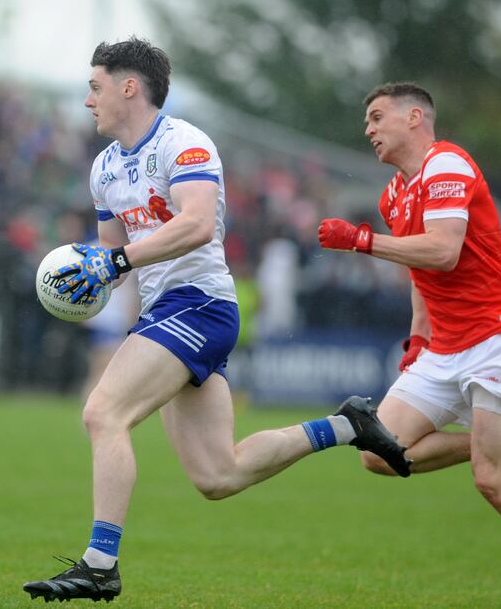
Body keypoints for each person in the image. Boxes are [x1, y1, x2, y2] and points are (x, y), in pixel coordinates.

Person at [22, 38, 411, 604]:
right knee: (218, 476)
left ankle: (99, 564)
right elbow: (111, 256)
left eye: (95, 87)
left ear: (130, 87)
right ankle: (348, 425)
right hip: (165, 312)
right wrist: (85, 280)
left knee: (103, 413)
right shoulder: (104, 169)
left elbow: (199, 223)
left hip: (200, 305)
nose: (88, 101)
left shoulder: (185, 143)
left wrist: (119, 260)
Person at [317, 82, 501, 609]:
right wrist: (419, 337)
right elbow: (420, 270)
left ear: (415, 117)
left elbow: (443, 251)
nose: (369, 129)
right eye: (367, 122)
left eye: (378, 117)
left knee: (491, 482)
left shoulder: (447, 164)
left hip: (497, 335)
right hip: (443, 345)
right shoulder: (393, 193)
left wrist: (361, 240)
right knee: (377, 454)